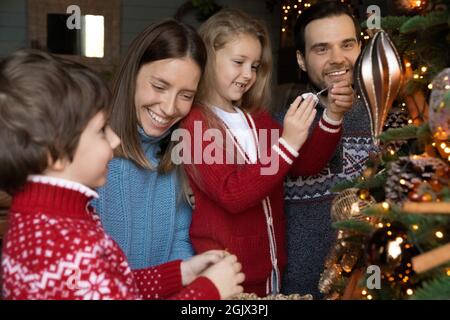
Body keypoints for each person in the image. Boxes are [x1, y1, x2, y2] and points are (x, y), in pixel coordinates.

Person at [0, 49, 244, 300]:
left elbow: (112, 285)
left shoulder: (46, 221)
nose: (115, 139)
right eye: (101, 131)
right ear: (55, 154)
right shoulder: (67, 245)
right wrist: (208, 292)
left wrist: (181, 272)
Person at [179, 8, 345, 297]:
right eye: (238, 62)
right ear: (208, 57)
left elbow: (303, 165)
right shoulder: (195, 125)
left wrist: (332, 116)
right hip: (226, 277)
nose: (248, 75)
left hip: (272, 268)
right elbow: (233, 194)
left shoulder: (257, 118)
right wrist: (287, 144)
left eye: (254, 66)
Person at [272, 1, 376, 298]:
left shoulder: (389, 117)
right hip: (299, 292)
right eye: (321, 49)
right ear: (301, 60)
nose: (337, 59)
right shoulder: (282, 124)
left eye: (347, 44)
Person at [91, 19, 205, 269]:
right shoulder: (88, 154)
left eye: (186, 95)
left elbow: (181, 239)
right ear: (132, 75)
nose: (169, 107)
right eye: (159, 86)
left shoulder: (180, 154)